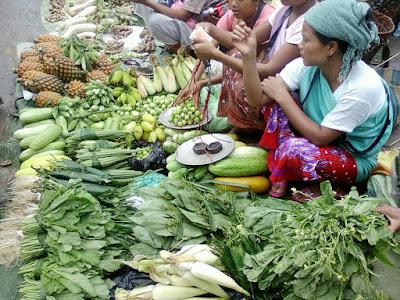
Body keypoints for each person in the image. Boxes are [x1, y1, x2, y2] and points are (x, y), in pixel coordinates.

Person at [234, 0, 396, 201]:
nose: (299, 46)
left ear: (331, 47)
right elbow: (257, 99)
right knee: (273, 107)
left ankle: (335, 185)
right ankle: (292, 170)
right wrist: (248, 57)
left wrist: (284, 97)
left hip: (351, 158)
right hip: (315, 137)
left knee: (294, 149)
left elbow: (320, 138)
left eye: (305, 40)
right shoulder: (306, 66)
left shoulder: (363, 87)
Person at [191, 0, 316, 132]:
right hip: (273, 74)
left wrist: (217, 55)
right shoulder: (285, 11)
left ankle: (253, 128)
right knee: (235, 57)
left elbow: (269, 70)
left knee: (240, 76)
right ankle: (240, 124)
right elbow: (241, 41)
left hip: (285, 84)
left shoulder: (308, 23)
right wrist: (211, 29)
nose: (233, 4)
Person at [129, 0, 229, 52]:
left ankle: (184, 51)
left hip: (205, 34)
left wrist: (146, 2)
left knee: (155, 22)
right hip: (193, 20)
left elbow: (182, 16)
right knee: (149, 5)